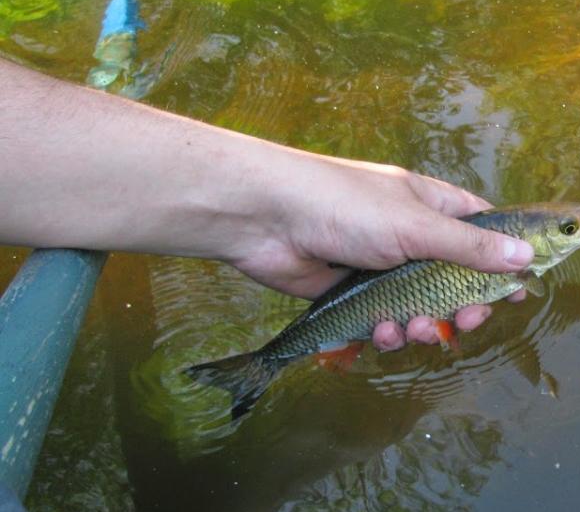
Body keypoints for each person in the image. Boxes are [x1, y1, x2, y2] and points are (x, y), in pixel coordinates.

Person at [0, 58, 532, 350]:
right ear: (516, 249)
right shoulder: (502, 257)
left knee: (398, 325)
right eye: (568, 230)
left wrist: (273, 214)